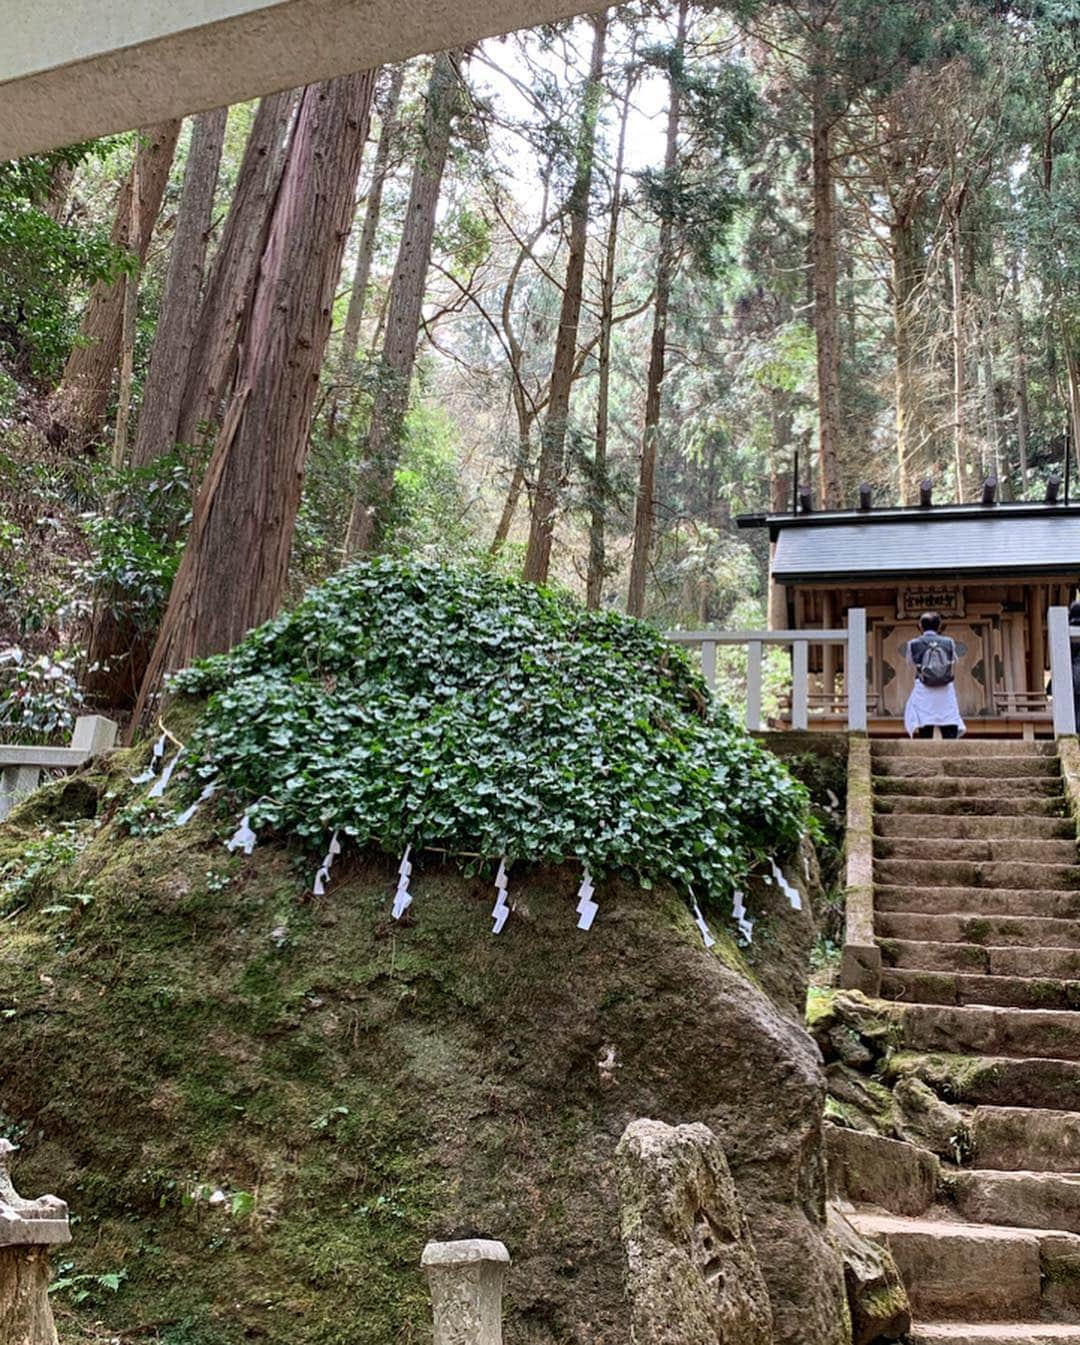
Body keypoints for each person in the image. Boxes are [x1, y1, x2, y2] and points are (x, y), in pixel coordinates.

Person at [903, 611, 965, 739]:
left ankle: (926, 746)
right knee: (948, 717)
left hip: (924, 686)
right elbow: (954, 661)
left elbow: (910, 662)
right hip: (945, 686)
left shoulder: (913, 644)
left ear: (920, 626)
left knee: (925, 718)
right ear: (939, 626)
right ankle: (951, 747)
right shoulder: (949, 642)